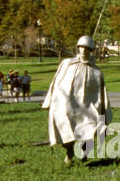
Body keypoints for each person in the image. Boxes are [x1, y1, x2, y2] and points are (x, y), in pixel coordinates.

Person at [43, 34, 109, 165]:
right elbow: (55, 81)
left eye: (86, 48)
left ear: (91, 51)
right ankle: (69, 152)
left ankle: (84, 152)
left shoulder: (96, 72)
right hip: (66, 105)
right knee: (65, 128)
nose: (83, 50)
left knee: (90, 129)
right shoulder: (66, 64)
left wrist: (101, 110)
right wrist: (49, 99)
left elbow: (100, 94)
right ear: (78, 48)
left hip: (87, 108)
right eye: (81, 47)